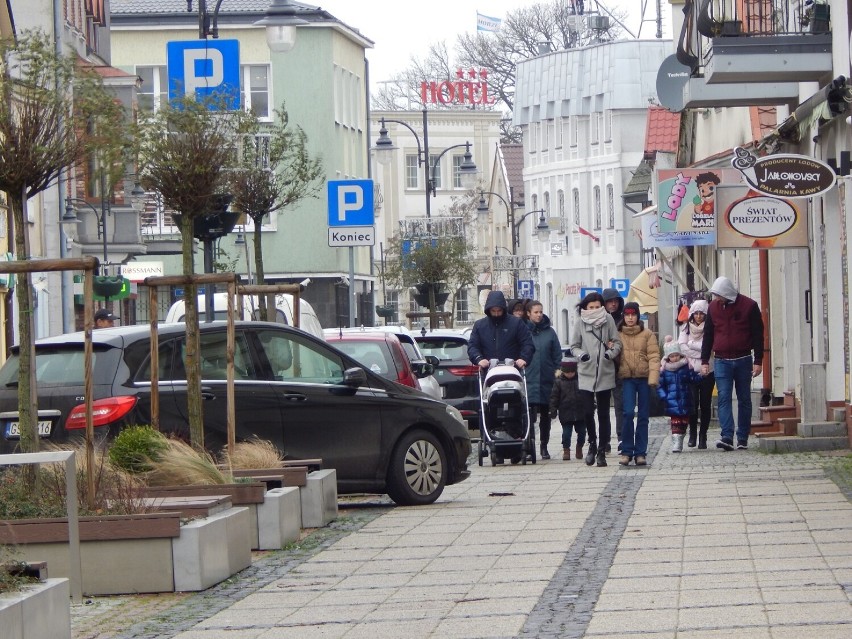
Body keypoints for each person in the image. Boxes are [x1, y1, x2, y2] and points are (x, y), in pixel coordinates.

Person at [700, 276, 764, 451]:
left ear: (727, 293)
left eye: (719, 295)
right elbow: (708, 335)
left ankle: (742, 437)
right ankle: (727, 436)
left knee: (744, 399)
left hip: (743, 359)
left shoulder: (749, 306)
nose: (716, 299)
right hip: (721, 360)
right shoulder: (713, 308)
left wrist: (758, 360)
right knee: (723, 397)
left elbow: (758, 334)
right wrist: (705, 360)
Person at [568, 291, 621, 467]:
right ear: (585, 308)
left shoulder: (609, 320)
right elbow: (574, 346)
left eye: (598, 307)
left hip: (605, 372)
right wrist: (581, 355)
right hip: (586, 373)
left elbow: (617, 342)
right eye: (591, 307)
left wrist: (609, 354)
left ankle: (601, 451)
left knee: (604, 413)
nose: (595, 310)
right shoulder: (580, 322)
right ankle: (592, 443)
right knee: (588, 412)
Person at [616, 302, 660, 466]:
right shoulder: (618, 334)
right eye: (627, 315)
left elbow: (654, 356)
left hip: (643, 378)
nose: (630, 318)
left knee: (643, 416)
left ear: (637, 315)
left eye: (633, 314)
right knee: (627, 413)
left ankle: (640, 452)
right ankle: (626, 451)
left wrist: (653, 378)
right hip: (627, 378)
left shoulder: (647, 334)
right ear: (624, 316)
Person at [525, 300, 562, 460]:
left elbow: (557, 354)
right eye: (536, 312)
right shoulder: (523, 331)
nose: (539, 315)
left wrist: (557, 371)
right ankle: (528, 445)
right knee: (528, 416)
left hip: (547, 380)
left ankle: (544, 446)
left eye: (541, 312)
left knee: (546, 416)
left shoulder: (550, 332)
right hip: (529, 379)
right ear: (528, 313)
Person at [678, 299, 715, 449]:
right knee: (692, 404)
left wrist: (692, 345)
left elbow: (710, 347)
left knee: (705, 405)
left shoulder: (710, 328)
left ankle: (703, 436)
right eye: (696, 313)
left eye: (702, 314)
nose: (699, 316)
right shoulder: (686, 328)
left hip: (708, 371)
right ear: (692, 314)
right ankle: (692, 434)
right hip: (691, 371)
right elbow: (682, 347)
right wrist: (701, 350)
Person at [468, 290, 535, 371]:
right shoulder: (480, 326)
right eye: (493, 311)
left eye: (499, 311)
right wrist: (479, 359)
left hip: (512, 371)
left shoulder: (516, 323)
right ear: (489, 310)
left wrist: (524, 358)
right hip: (488, 371)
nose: (496, 314)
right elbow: (473, 346)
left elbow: (527, 343)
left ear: (503, 309)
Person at [658, 341, 702, 453]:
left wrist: (701, 376)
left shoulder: (686, 366)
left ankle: (680, 439)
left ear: (680, 355)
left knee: (683, 422)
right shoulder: (664, 370)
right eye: (672, 356)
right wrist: (664, 396)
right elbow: (660, 385)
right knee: (676, 422)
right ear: (668, 357)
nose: (675, 358)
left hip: (685, 398)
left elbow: (693, 379)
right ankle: (676, 443)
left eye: (676, 355)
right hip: (671, 400)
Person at [601, 287, 625, 453]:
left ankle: (621, 437)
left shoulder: (623, 321)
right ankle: (605, 439)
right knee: (602, 407)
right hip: (602, 366)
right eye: (610, 301)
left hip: (618, 366)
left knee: (620, 405)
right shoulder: (599, 320)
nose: (613, 304)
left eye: (616, 301)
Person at [549, 357, 585, 461]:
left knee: (582, 432)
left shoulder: (580, 380)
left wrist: (591, 406)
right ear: (563, 371)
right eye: (567, 372)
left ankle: (579, 447)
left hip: (580, 412)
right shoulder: (558, 382)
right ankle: (566, 450)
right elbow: (554, 397)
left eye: (572, 372)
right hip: (566, 412)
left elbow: (586, 395)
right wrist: (553, 410)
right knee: (566, 434)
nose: (570, 374)